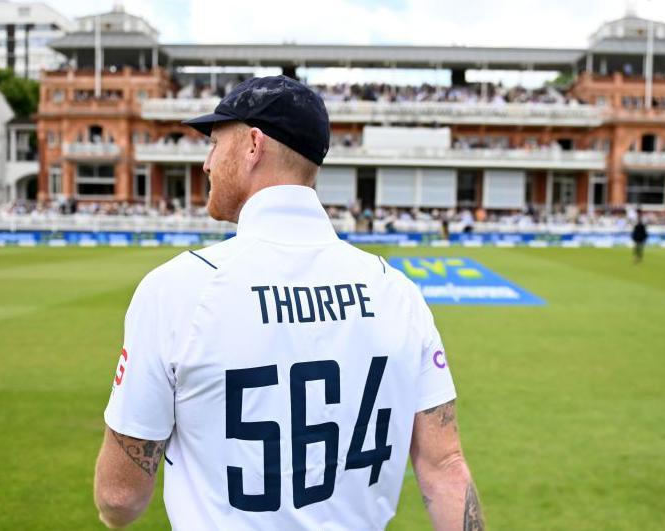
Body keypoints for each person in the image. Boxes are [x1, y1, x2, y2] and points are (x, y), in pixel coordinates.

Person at [92, 76, 483, 530]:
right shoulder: (397, 291)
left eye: (215, 143)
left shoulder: (180, 289)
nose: (206, 164)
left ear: (252, 145)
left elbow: (119, 498)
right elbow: (445, 469)